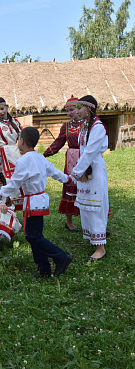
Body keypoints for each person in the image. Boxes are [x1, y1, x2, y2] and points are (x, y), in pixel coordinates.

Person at [0, 127, 72, 278]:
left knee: (32, 236)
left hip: (33, 202)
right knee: (35, 234)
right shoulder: (40, 158)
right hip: (40, 201)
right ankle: (43, 268)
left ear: (22, 141)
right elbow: (56, 173)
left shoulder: (23, 161)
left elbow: (14, 184)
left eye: (18, 139)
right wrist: (70, 179)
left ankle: (61, 257)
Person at [70, 95, 109, 261]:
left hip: (94, 169)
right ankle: (93, 237)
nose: (77, 111)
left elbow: (90, 152)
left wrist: (75, 173)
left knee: (95, 206)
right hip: (86, 169)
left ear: (89, 109)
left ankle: (101, 248)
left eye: (80, 108)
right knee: (86, 205)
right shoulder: (86, 127)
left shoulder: (98, 127)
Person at [43, 95, 83, 231]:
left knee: (85, 187)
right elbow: (58, 143)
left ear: (79, 109)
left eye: (72, 109)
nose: (70, 113)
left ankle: (87, 220)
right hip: (72, 158)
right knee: (70, 187)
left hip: (85, 157)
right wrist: (44, 155)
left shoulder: (87, 124)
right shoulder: (66, 126)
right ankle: (69, 222)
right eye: (68, 110)